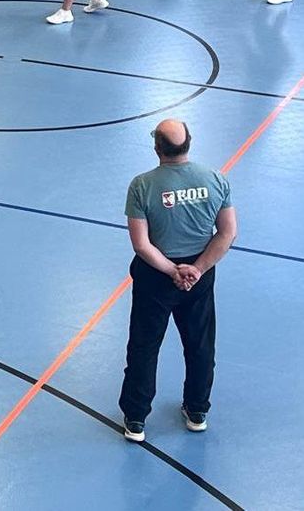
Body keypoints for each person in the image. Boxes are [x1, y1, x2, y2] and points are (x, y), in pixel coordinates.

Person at [119, 119, 237, 443]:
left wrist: (172, 270)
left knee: (144, 347)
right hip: (199, 278)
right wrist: (196, 269)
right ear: (189, 143)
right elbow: (227, 232)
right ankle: (197, 410)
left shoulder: (142, 185)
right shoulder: (215, 180)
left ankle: (136, 419)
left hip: (156, 278)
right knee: (200, 345)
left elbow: (141, 244)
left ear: (157, 147)